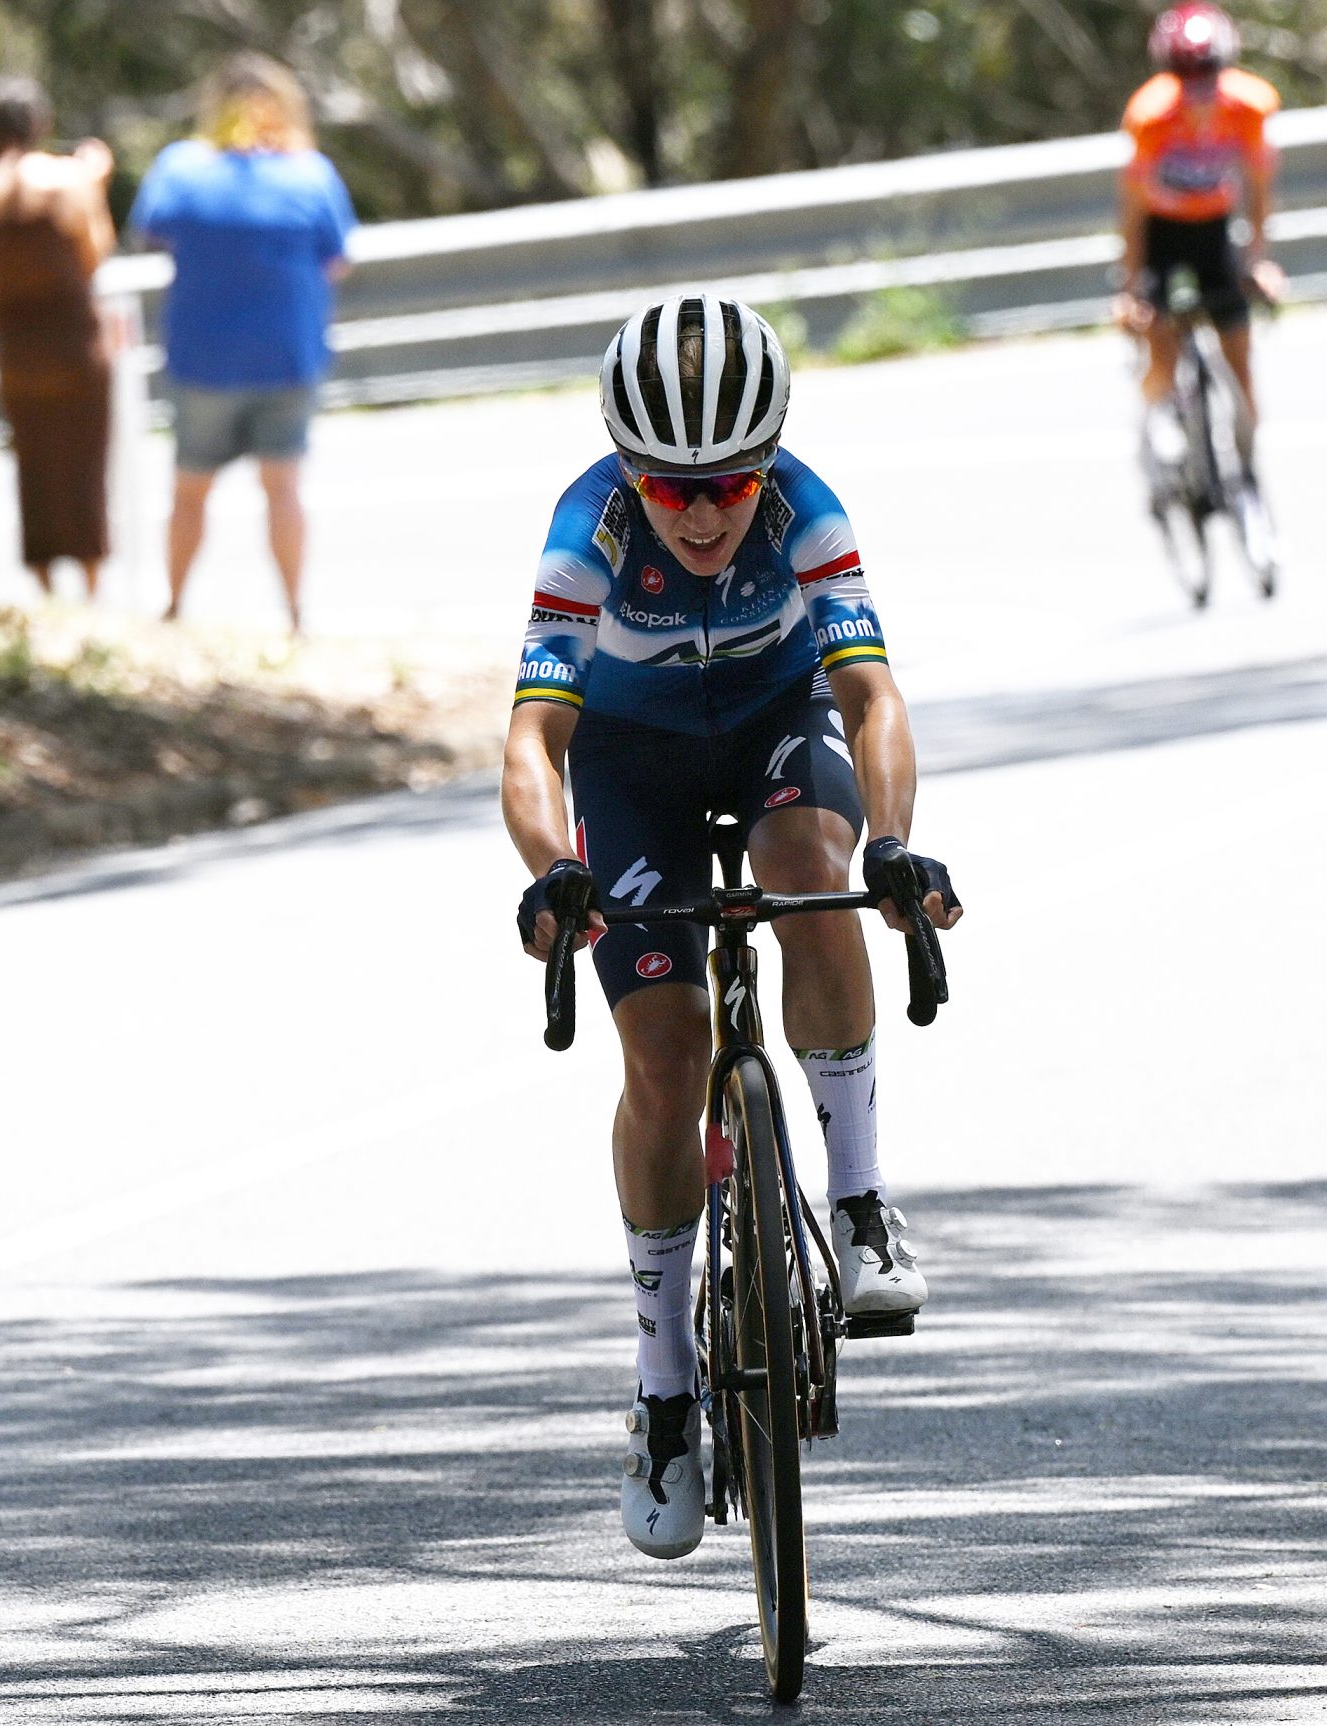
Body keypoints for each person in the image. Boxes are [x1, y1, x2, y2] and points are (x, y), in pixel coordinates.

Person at [502, 292, 963, 1562]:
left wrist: (892, 841)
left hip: (774, 723)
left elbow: (871, 699)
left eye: (729, 485)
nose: (701, 514)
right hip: (630, 762)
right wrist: (555, 871)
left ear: (767, 465)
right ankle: (662, 1390)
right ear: (625, 470)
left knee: (813, 870)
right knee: (663, 1053)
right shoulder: (587, 532)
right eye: (669, 487)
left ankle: (859, 1202)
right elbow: (534, 739)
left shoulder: (807, 511)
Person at [129, 53, 356, 631]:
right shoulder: (311, 173)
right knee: (283, 488)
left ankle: (174, 608)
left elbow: (150, 230)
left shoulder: (181, 168)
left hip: (202, 360)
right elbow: (338, 260)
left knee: (189, 490)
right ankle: (296, 616)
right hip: (287, 357)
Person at [0, 77, 117, 600]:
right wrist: (95, 181)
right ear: (41, 122)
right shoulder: (69, 181)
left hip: (17, 347)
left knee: (34, 466)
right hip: (76, 345)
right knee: (85, 462)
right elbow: (95, 254)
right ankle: (91, 586)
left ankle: (45, 587)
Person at [1112, 3, 1287, 496]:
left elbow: (1258, 185)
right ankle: (1156, 414)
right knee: (1159, 333)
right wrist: (1130, 286)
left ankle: (1248, 469)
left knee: (1239, 349)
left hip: (1214, 229)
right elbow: (1132, 208)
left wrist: (1258, 257)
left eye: (1207, 71)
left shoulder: (1251, 105)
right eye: (1184, 73)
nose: (1197, 85)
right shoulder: (1149, 115)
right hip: (1162, 233)